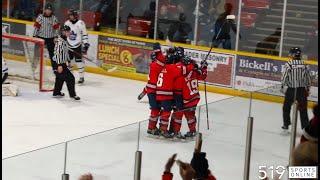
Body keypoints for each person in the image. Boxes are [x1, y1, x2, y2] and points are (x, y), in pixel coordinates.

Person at [172, 56, 208, 138]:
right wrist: (204, 67)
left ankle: (176, 132)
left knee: (178, 115)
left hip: (186, 99)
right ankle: (193, 131)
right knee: (190, 116)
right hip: (195, 98)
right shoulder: (195, 71)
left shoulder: (184, 71)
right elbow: (203, 76)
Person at [281, 47, 312, 131]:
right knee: (303, 109)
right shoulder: (305, 64)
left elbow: (284, 77)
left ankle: (286, 124)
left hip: (291, 90)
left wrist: (283, 86)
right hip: (301, 90)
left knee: (286, 107)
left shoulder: (289, 64)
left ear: (293, 54)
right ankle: (305, 127)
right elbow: (308, 78)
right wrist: (308, 88)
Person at [143, 43, 166, 136]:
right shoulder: (158, 64)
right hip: (154, 91)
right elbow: (162, 58)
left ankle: (152, 127)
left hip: (151, 91)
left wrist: (144, 92)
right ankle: (151, 128)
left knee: (156, 109)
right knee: (156, 110)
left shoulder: (153, 64)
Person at [52, 25, 80, 100]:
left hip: (61, 63)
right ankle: (72, 95)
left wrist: (68, 61)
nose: (69, 33)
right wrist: (59, 65)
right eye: (67, 31)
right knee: (70, 78)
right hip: (58, 63)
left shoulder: (63, 40)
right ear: (63, 32)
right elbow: (57, 53)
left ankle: (56, 92)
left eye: (69, 31)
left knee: (60, 78)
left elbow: (65, 53)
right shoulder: (60, 41)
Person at [65, 9, 90, 84]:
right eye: (69, 15)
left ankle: (81, 77)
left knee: (79, 61)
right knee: (69, 62)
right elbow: (64, 33)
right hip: (69, 45)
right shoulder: (67, 23)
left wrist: (86, 44)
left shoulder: (81, 23)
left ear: (75, 15)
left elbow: (84, 34)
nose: (70, 16)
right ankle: (70, 77)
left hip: (77, 45)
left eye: (71, 15)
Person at [33, 3, 60, 71]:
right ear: (44, 10)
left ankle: (55, 69)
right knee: (36, 54)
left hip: (50, 39)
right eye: (47, 10)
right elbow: (36, 27)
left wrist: (56, 37)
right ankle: (33, 68)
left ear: (52, 11)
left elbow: (56, 28)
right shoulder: (40, 17)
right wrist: (34, 36)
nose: (48, 11)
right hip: (40, 38)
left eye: (50, 10)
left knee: (52, 55)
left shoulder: (54, 18)